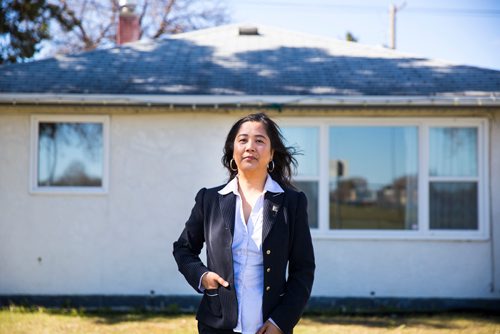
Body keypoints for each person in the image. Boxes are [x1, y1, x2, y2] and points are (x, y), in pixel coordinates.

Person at [173, 113, 315, 334]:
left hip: (269, 326)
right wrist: (203, 277)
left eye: (259, 140)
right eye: (243, 140)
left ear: (271, 154)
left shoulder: (292, 203)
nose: (250, 146)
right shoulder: (209, 199)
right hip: (216, 325)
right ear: (233, 151)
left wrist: (281, 321)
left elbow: (303, 269)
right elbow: (183, 249)